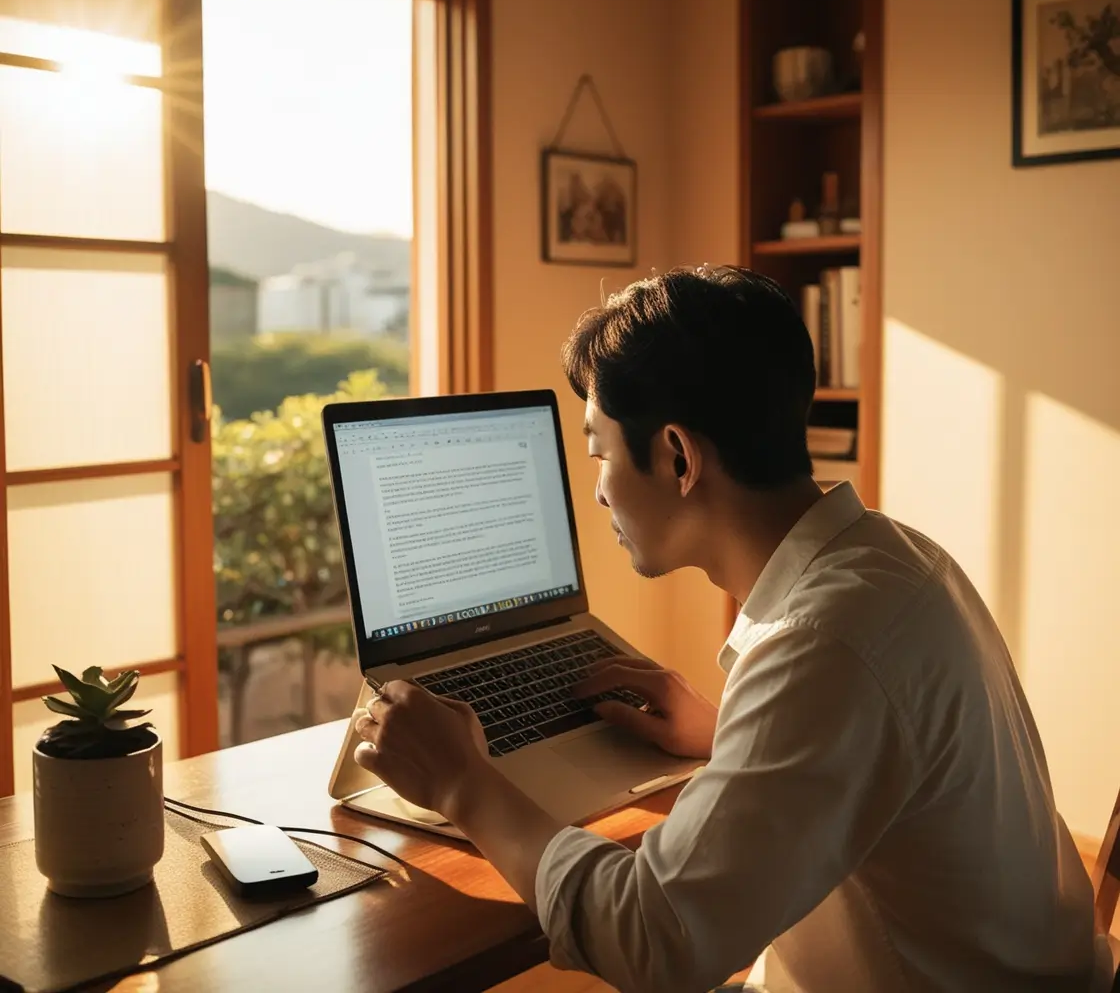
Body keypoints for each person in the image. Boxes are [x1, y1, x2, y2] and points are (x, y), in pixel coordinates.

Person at [353, 266, 1108, 993]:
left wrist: (464, 782)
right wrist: (725, 735)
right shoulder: (896, 557)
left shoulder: (820, 643)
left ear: (678, 456)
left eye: (599, 453)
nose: (599, 491)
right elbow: (883, 755)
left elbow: (656, 941)